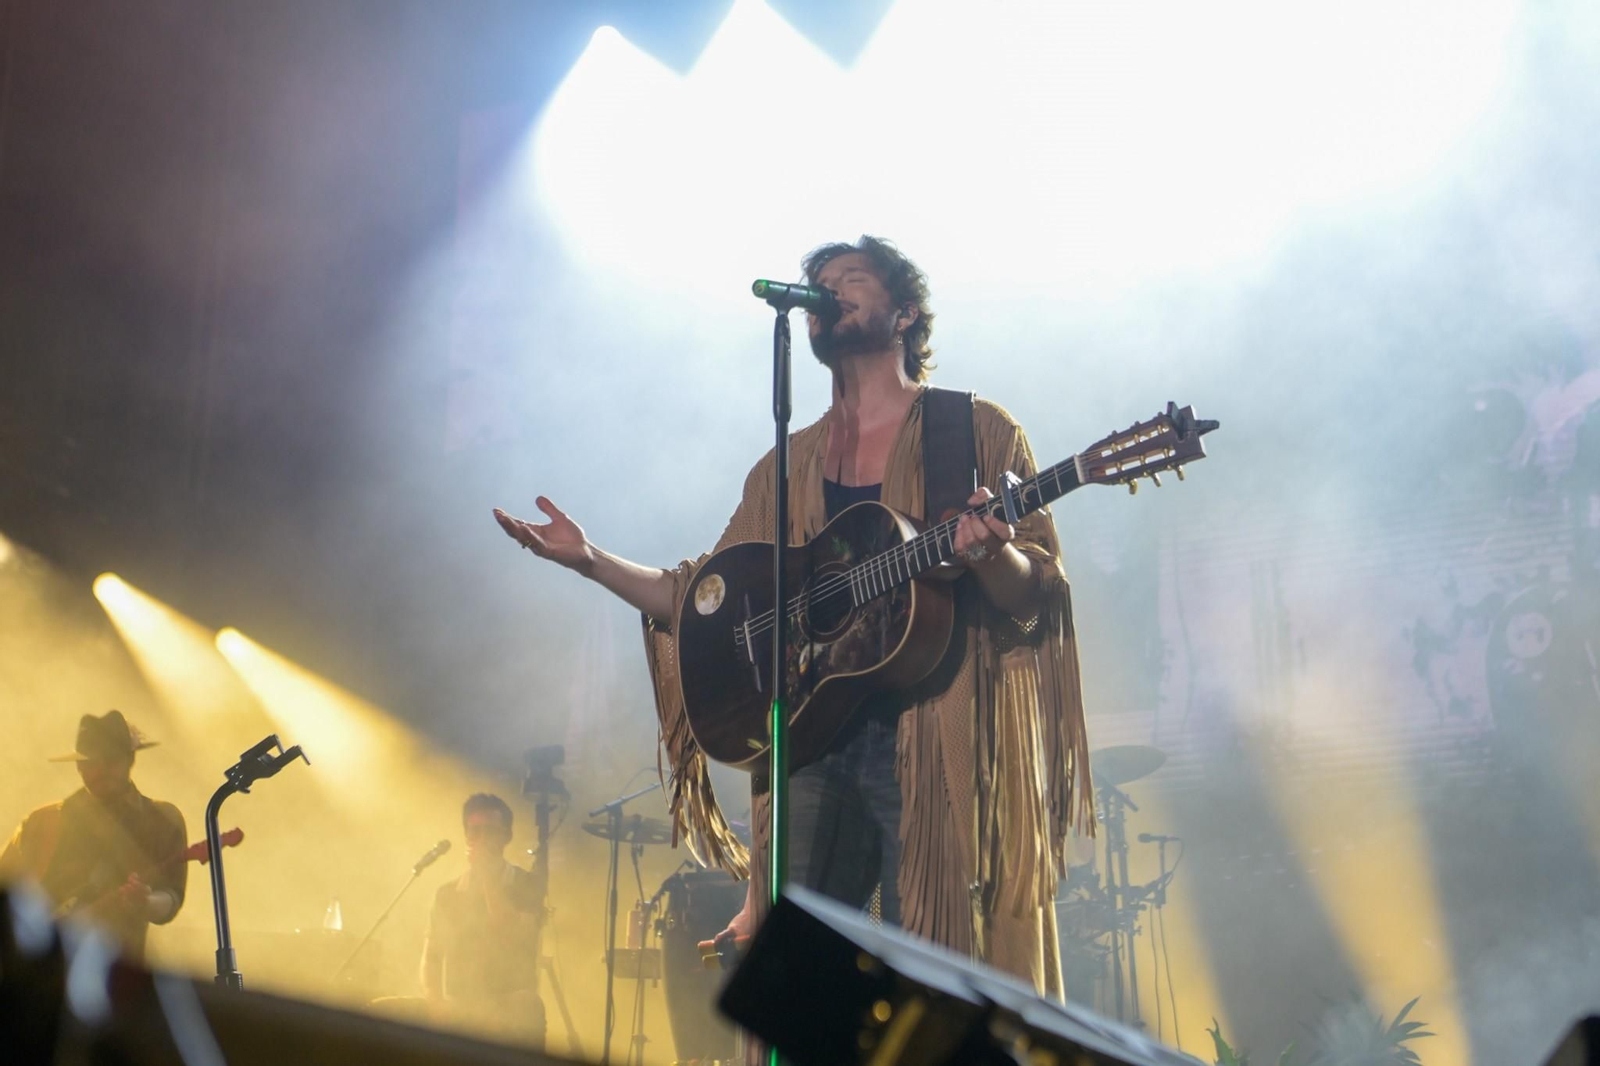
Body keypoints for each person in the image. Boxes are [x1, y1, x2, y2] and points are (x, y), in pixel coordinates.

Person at [494, 236, 1093, 996]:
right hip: (811, 748)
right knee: (804, 991)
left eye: (850, 280)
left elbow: (1036, 594)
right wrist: (590, 560)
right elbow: (702, 601)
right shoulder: (787, 464)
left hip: (938, 740)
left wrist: (987, 554)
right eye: (818, 284)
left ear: (904, 312)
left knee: (937, 983)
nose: (825, 292)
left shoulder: (970, 429)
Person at [0, 710, 187, 963]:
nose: (99, 770)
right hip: (38, 967)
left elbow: (171, 897)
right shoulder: (41, 820)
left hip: (117, 970)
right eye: (89, 762)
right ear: (77, 765)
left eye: (109, 761)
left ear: (129, 760)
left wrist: (146, 901)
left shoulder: (161, 819)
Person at [419, 792, 546, 1046]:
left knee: (526, 1004)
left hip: (510, 1004)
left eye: (490, 831)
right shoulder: (447, 894)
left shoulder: (527, 885)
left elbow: (510, 934)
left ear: (506, 836)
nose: (481, 839)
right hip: (459, 1005)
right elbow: (431, 957)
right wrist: (436, 1004)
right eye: (474, 831)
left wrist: (488, 878)